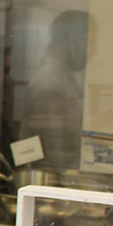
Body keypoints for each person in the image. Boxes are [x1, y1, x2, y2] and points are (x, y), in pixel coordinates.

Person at [19, 9, 94, 171]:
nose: (94, 51)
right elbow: (56, 153)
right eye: (90, 43)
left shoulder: (69, 77)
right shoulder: (49, 83)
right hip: (52, 179)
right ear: (72, 42)